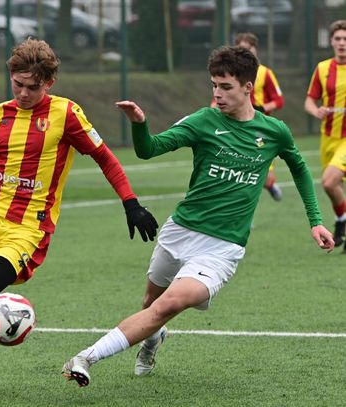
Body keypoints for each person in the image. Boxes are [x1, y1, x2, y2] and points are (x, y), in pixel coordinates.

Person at [0, 38, 158, 400]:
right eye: (17, 84)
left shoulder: (66, 114)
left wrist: (131, 203)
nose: (22, 93)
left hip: (26, 228)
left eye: (32, 87)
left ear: (49, 82)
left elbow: (106, 159)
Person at [62, 45, 334, 388]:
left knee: (169, 304)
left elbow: (299, 168)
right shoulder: (203, 121)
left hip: (222, 248)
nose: (217, 94)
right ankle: (152, 341)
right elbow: (148, 150)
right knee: (151, 303)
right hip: (180, 231)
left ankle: (85, 357)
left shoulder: (274, 131)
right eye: (214, 85)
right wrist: (140, 125)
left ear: (248, 87)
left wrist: (315, 220)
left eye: (226, 87)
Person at [212, 32, 285, 201]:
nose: (245, 52)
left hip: (259, 131)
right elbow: (217, 98)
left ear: (256, 50)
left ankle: (269, 184)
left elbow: (279, 100)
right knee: (235, 168)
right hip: (234, 127)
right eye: (241, 49)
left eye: (249, 48)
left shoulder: (265, 73)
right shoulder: (229, 74)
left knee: (263, 175)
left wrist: (262, 108)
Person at [305, 20, 346, 250]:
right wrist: (316, 111)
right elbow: (310, 100)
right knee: (332, 186)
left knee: (329, 181)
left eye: (345, 39)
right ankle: (342, 221)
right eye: (338, 39)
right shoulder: (322, 68)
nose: (342, 43)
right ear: (331, 41)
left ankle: (341, 223)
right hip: (328, 137)